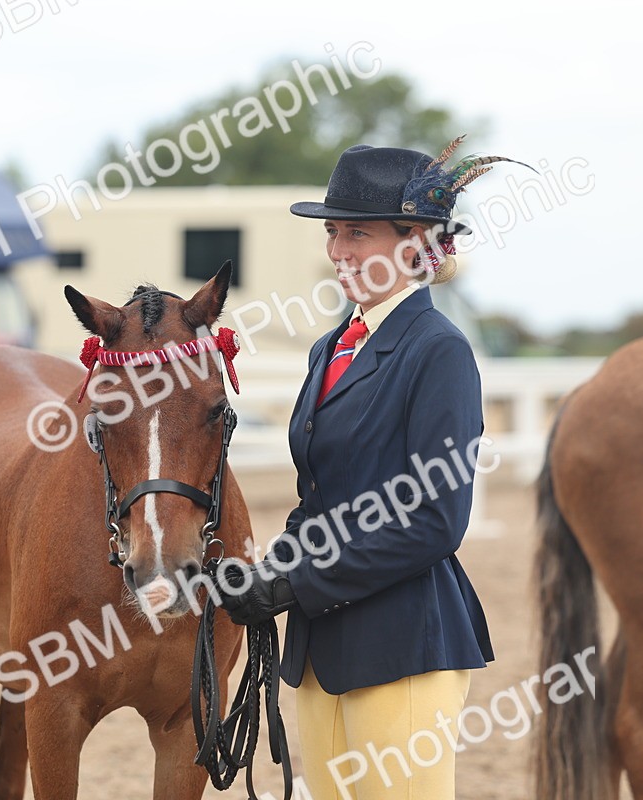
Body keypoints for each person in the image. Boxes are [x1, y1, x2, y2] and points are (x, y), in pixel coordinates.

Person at [218, 139, 527, 799]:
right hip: (321, 648)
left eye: (357, 232)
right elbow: (320, 497)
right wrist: (269, 570)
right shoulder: (330, 348)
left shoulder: (437, 351)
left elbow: (435, 522)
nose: (338, 251)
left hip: (402, 645)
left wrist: (297, 582)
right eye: (334, 232)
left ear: (415, 244)